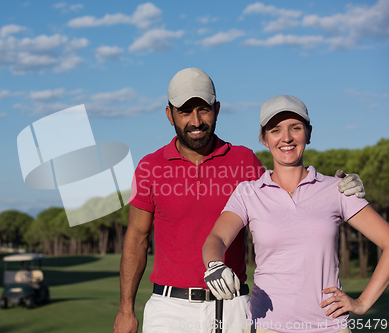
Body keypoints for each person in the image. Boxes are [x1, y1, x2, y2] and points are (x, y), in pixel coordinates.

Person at [113, 69, 365, 333]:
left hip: (233, 308)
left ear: (217, 109)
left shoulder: (244, 161)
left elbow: (290, 192)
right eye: (185, 111)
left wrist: (339, 187)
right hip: (169, 308)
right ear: (170, 115)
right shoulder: (150, 167)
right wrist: (125, 310)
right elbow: (136, 238)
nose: (196, 120)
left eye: (204, 109)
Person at [202, 95, 389, 333]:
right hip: (268, 326)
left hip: (330, 327)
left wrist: (362, 303)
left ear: (308, 133)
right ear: (264, 138)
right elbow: (216, 238)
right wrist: (214, 264)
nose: (286, 137)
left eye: (296, 128)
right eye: (275, 130)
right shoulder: (248, 193)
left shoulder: (337, 189)